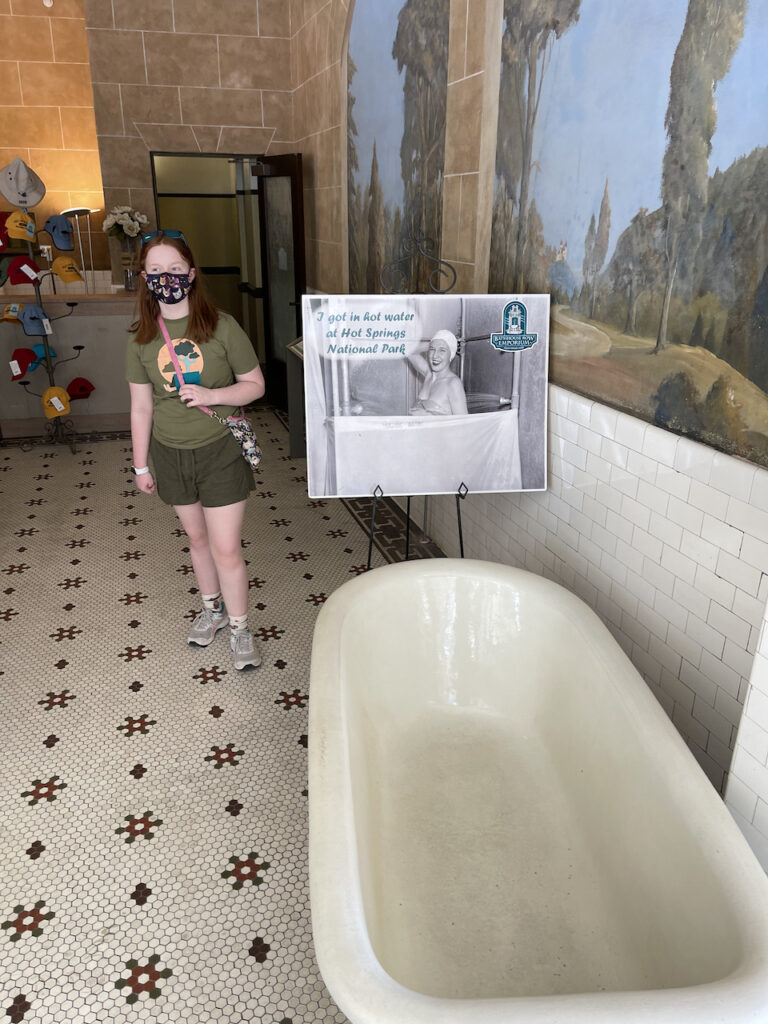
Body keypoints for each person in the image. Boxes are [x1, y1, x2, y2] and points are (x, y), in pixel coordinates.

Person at [125, 230, 266, 670]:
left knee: (226, 548)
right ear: (144, 278)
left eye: (173, 269)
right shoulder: (140, 339)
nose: (165, 278)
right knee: (197, 538)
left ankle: (241, 628)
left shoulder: (222, 326)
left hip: (219, 448)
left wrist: (211, 395)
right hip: (170, 453)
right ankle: (213, 611)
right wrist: (140, 465)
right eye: (154, 271)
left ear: (191, 272)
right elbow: (141, 407)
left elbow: (256, 386)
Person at [407, 329, 468, 415]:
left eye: (442, 350)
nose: (435, 355)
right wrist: (432, 343)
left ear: (451, 354)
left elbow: (464, 424)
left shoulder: (453, 383)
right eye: (432, 350)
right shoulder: (429, 374)